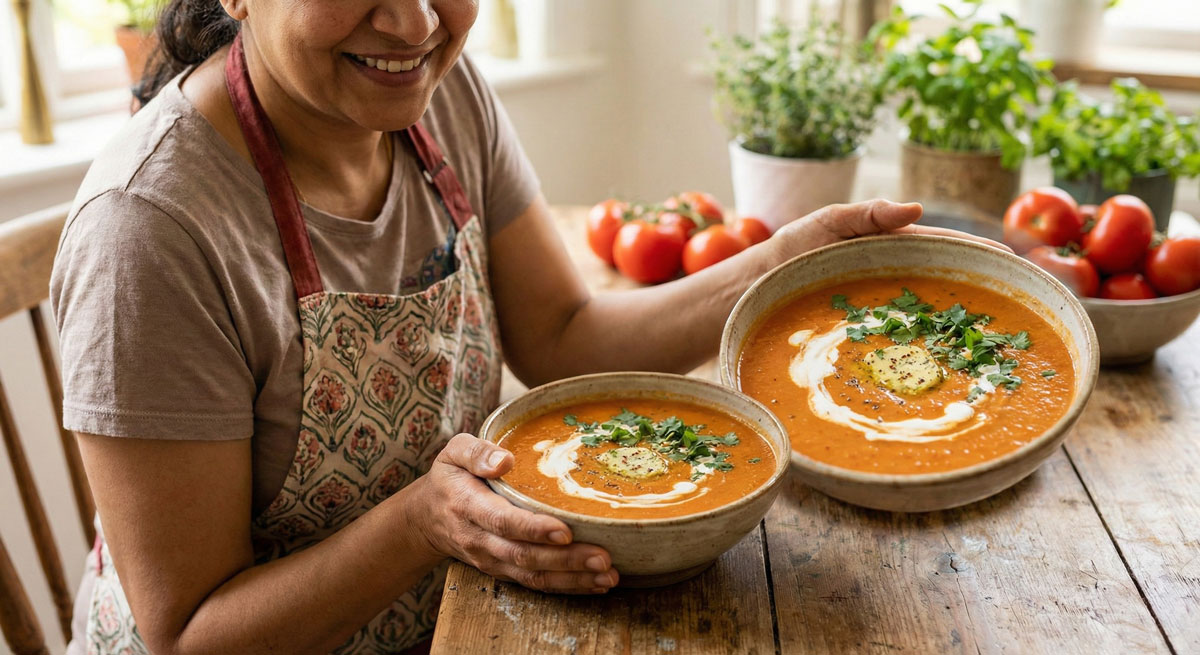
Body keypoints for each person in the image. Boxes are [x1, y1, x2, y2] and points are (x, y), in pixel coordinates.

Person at [50, 1, 1002, 653]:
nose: (416, 22)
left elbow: (562, 334)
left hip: (454, 621)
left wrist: (776, 267)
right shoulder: (150, 233)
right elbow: (189, 633)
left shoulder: (435, 97)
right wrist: (423, 523)